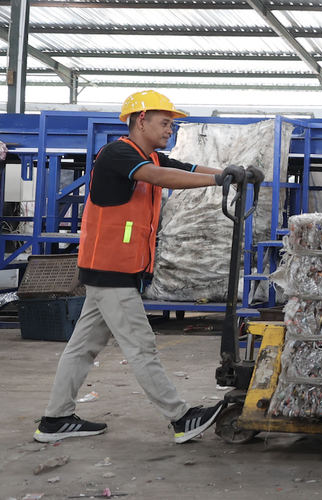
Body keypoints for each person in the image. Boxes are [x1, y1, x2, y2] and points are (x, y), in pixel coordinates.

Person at [34, 90, 250, 444]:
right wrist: (218, 181)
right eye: (165, 123)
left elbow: (187, 168)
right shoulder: (119, 154)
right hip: (112, 272)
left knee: (82, 347)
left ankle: (54, 419)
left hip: (115, 271)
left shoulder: (148, 155)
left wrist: (233, 174)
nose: (170, 130)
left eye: (172, 124)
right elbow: (162, 177)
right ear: (141, 120)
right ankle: (180, 417)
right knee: (141, 347)